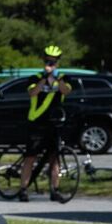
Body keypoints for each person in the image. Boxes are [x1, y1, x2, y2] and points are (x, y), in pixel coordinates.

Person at [15, 45, 74, 203]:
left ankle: (54, 190)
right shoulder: (35, 77)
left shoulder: (63, 77)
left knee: (55, 158)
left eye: (53, 62)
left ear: (58, 63)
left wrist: (57, 78)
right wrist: (44, 78)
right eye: (48, 62)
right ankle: (23, 189)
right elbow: (32, 92)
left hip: (54, 124)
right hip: (36, 122)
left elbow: (65, 91)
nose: (51, 64)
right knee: (30, 157)